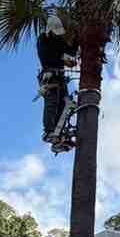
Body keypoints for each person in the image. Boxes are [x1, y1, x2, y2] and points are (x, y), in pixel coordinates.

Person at [36, 11, 76, 147]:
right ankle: (49, 132)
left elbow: (70, 51)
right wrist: (64, 59)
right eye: (55, 32)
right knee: (52, 103)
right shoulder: (43, 40)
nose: (57, 34)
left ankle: (59, 133)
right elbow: (48, 57)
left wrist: (77, 38)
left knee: (65, 104)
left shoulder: (58, 40)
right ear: (49, 30)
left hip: (60, 77)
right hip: (50, 76)